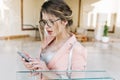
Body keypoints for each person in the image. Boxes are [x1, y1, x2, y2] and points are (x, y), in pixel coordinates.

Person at [22, 0, 87, 79]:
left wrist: (47, 71)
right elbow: (43, 67)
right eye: (44, 22)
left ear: (64, 21)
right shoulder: (47, 41)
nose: (46, 26)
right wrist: (34, 65)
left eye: (51, 21)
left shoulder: (77, 50)